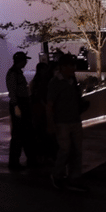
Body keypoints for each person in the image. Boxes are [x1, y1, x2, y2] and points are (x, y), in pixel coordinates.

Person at [46, 53, 88, 190]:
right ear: (63, 67)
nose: (73, 68)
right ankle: (58, 175)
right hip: (62, 121)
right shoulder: (56, 83)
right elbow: (50, 104)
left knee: (77, 149)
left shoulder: (72, 80)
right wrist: (51, 122)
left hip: (74, 119)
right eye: (70, 66)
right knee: (65, 149)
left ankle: (74, 177)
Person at [5, 51, 32, 171]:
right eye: (24, 60)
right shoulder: (13, 74)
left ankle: (27, 159)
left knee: (25, 133)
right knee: (18, 134)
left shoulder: (17, 73)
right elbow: (12, 91)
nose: (26, 62)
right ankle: (14, 162)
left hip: (22, 104)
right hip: (19, 105)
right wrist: (16, 106)